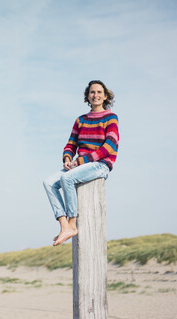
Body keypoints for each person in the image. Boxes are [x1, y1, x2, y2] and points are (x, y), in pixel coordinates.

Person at [43, 80, 119, 246]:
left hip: (100, 165)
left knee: (67, 179)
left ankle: (72, 224)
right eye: (92, 92)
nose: (96, 95)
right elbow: (70, 144)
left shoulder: (111, 118)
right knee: (48, 183)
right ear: (88, 96)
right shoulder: (80, 120)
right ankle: (64, 226)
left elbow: (110, 146)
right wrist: (68, 158)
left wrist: (81, 160)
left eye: (99, 92)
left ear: (105, 96)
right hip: (79, 165)